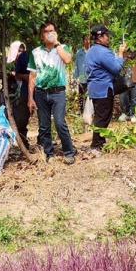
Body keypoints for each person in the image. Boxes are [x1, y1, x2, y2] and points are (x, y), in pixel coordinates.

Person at [27, 21, 77, 164]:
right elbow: (32, 76)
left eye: (52, 31)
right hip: (41, 93)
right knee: (44, 125)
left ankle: (69, 152)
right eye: (46, 31)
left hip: (58, 92)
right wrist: (30, 98)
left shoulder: (63, 48)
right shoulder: (35, 52)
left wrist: (56, 43)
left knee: (60, 122)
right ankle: (49, 154)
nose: (49, 33)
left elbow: (67, 60)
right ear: (41, 36)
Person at [83, 26, 127, 155]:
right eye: (107, 36)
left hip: (95, 89)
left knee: (100, 116)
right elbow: (116, 68)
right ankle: (96, 145)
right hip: (103, 89)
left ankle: (99, 143)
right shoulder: (103, 52)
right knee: (102, 118)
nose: (109, 38)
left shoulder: (91, 51)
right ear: (100, 37)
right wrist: (120, 54)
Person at [7, 41, 33, 150]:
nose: (20, 52)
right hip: (11, 95)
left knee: (21, 119)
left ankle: (23, 143)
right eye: (18, 50)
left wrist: (18, 75)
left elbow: (30, 76)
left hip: (23, 93)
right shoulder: (8, 62)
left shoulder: (25, 58)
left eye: (22, 50)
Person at [74, 33, 91, 114]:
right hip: (82, 77)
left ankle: (90, 112)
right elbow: (76, 65)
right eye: (85, 39)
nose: (87, 41)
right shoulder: (79, 53)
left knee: (90, 95)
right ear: (83, 41)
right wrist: (76, 77)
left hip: (91, 78)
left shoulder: (93, 52)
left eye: (89, 39)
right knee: (81, 95)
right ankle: (81, 110)